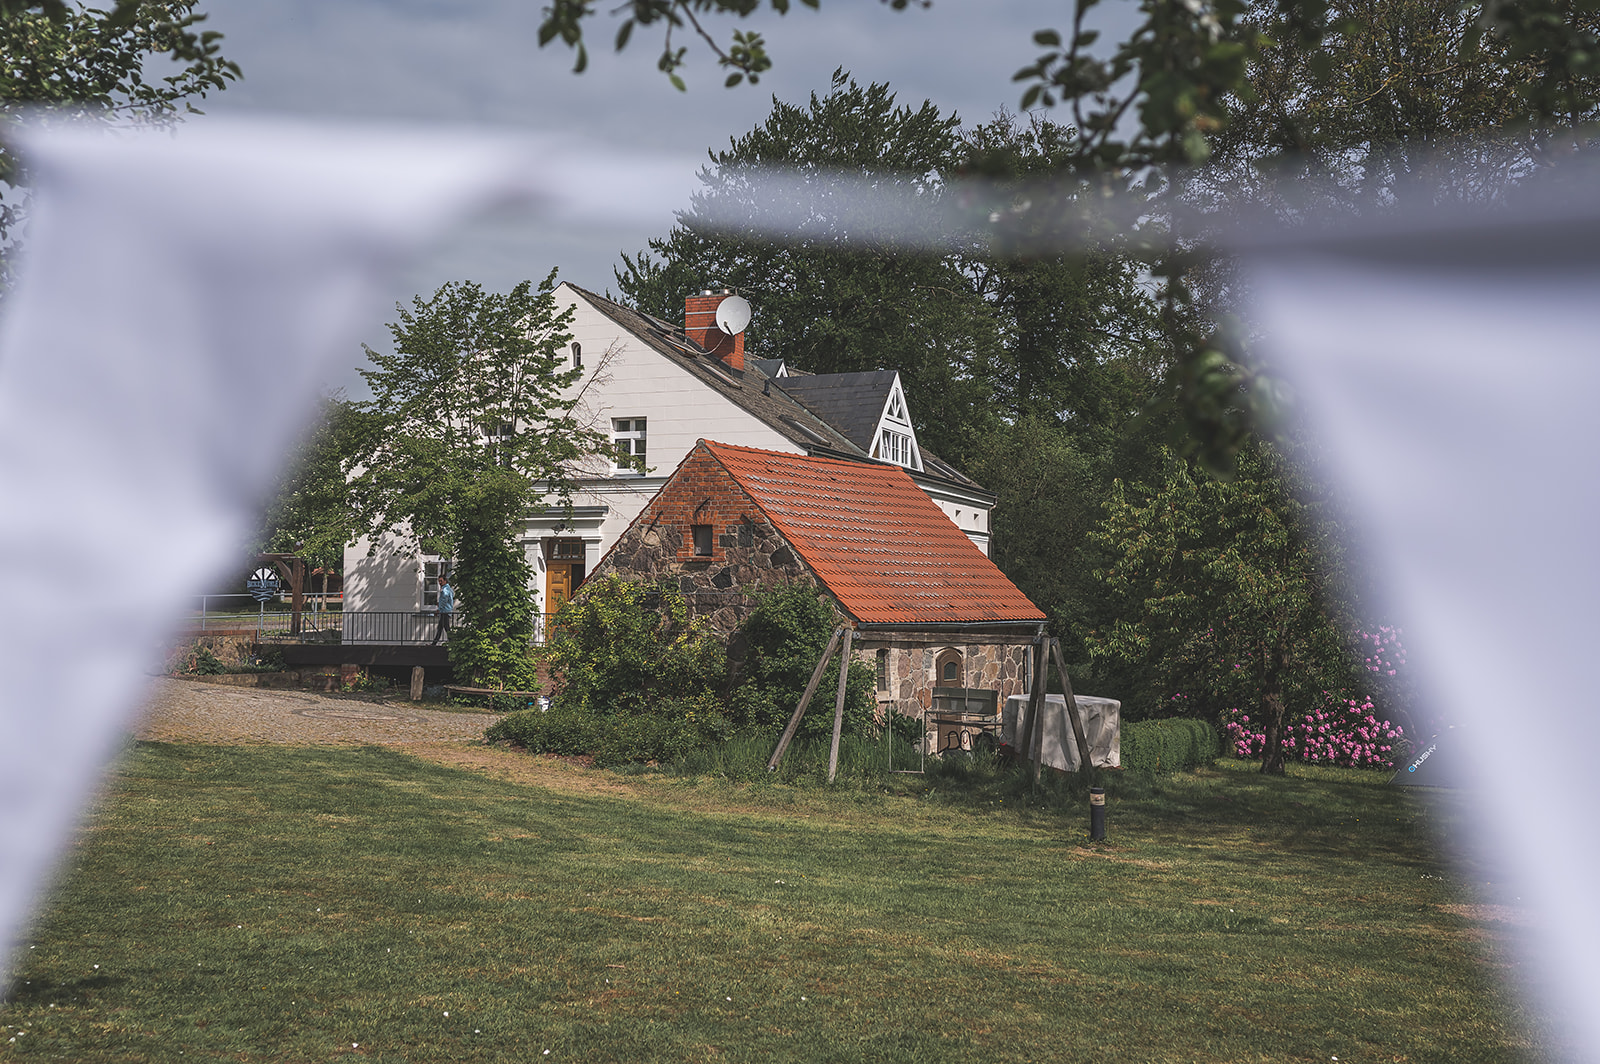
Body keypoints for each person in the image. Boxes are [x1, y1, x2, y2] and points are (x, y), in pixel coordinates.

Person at [431, 579, 454, 645]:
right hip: (446, 611)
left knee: (446, 628)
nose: (440, 583)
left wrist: (439, 609)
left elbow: (444, 600)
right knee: (441, 628)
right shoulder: (449, 589)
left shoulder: (445, 590)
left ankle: (452, 642)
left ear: (445, 581)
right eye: (439, 581)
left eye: (441, 581)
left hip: (444, 611)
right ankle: (434, 643)